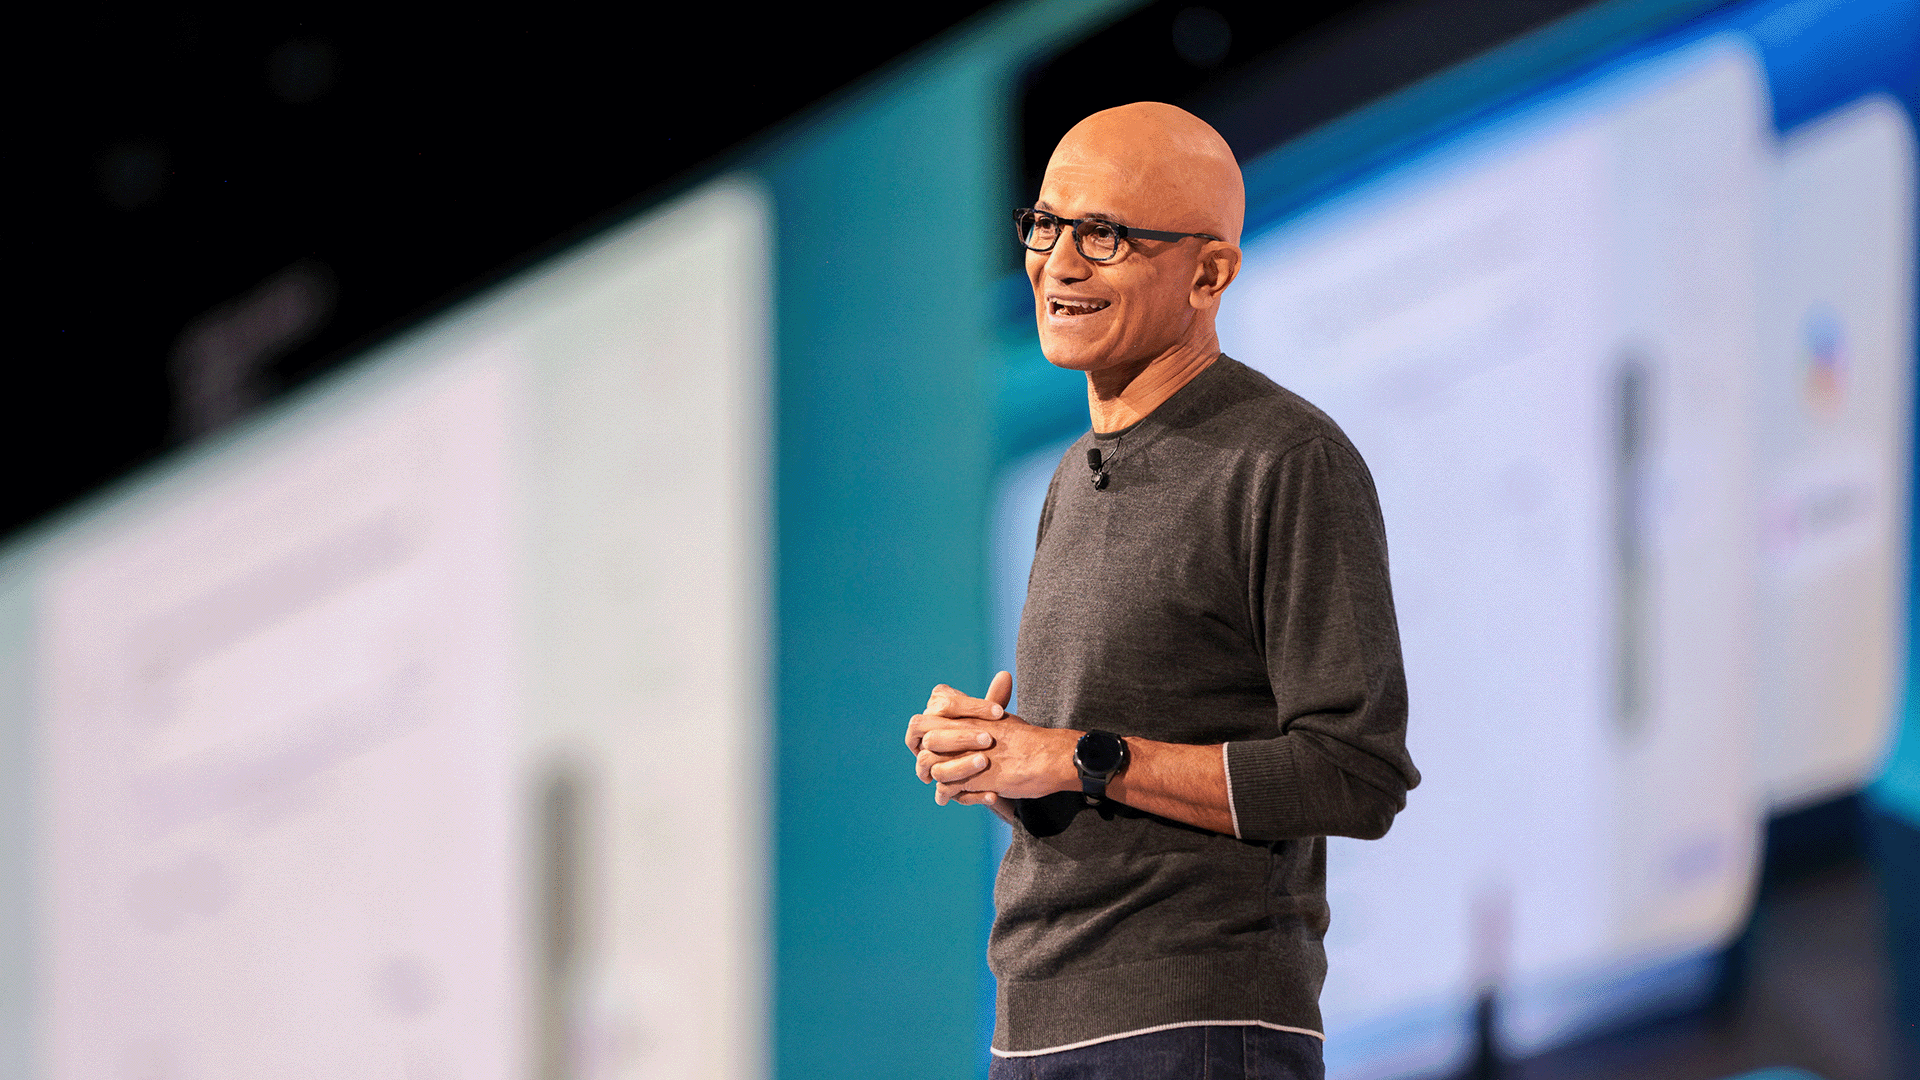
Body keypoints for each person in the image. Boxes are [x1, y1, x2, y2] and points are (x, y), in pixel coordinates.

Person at [904, 102, 1421, 1080]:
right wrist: (998, 764)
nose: (1059, 264)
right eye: (1047, 225)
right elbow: (1100, 786)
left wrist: (1075, 755)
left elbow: (1355, 772)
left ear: (1210, 272)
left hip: (1195, 1025)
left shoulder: (1285, 457)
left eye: (1104, 235)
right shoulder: (1068, 480)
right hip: (1033, 1032)